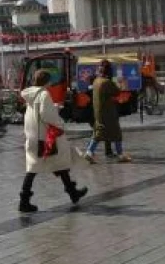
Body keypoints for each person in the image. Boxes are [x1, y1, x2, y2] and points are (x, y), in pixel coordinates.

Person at [18, 69, 88, 213]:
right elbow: (46, 115)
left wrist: (53, 107)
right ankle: (24, 201)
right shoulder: (43, 94)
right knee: (39, 167)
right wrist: (59, 122)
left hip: (33, 136)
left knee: (55, 163)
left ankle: (72, 193)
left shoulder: (31, 94)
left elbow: (38, 112)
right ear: (47, 81)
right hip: (44, 138)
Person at [84, 60, 129, 163]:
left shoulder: (96, 81)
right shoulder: (106, 82)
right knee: (116, 133)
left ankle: (89, 153)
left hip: (98, 112)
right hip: (108, 112)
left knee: (98, 133)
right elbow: (117, 92)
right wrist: (122, 82)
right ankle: (120, 155)